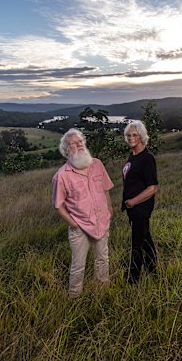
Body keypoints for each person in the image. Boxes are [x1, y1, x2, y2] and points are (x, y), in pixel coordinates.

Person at [52, 128, 114, 299]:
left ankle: (104, 290)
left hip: (101, 221)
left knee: (103, 258)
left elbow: (106, 189)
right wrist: (74, 224)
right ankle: (74, 297)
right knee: (78, 265)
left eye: (81, 142)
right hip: (80, 228)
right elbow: (58, 205)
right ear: (66, 150)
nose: (79, 145)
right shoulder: (62, 176)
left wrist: (109, 210)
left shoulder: (97, 164)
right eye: (74, 143)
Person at [121, 120, 159, 284]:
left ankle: (132, 280)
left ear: (142, 136)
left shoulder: (147, 158)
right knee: (145, 238)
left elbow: (152, 187)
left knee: (136, 244)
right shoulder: (133, 155)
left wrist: (133, 202)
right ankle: (153, 270)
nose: (131, 138)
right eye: (128, 135)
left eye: (135, 135)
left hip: (141, 207)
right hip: (132, 207)